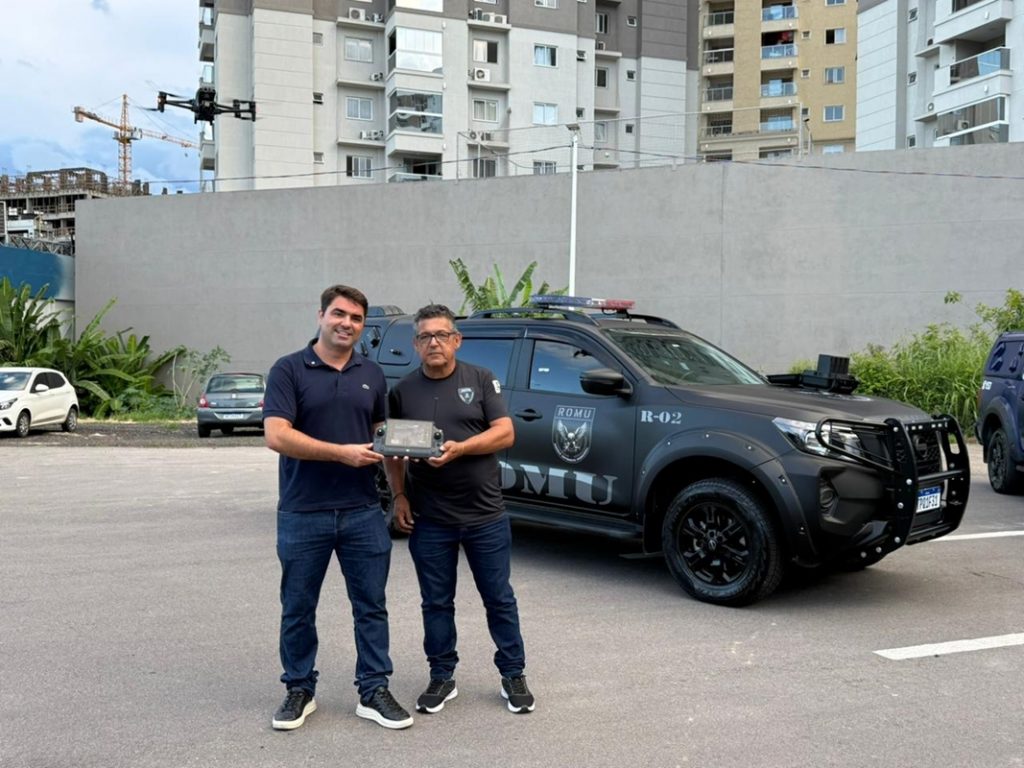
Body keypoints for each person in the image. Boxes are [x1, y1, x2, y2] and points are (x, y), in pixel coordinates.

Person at [262, 284, 413, 731]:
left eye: (356, 318)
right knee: (298, 607)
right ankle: (299, 689)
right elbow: (277, 435)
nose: (347, 323)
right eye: (339, 314)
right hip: (302, 511)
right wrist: (340, 453)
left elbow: (384, 438)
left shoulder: (373, 373)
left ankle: (373, 690)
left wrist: (400, 491)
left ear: (363, 326)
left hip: (362, 510)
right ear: (321, 316)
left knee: (371, 606)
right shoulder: (289, 369)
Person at [385, 303, 534, 715]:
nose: (433, 342)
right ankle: (441, 675)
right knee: (436, 603)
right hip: (430, 518)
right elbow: (392, 450)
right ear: (415, 344)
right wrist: (399, 495)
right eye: (425, 336)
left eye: (441, 335)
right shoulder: (403, 391)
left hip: (485, 516)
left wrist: (461, 449)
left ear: (456, 340)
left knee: (499, 599)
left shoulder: (481, 379)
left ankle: (513, 673)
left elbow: (505, 432)